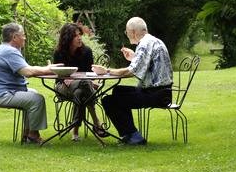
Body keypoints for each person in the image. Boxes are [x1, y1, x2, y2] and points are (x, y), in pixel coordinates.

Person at [92, 17, 173, 145]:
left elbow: (131, 71)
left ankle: (133, 137)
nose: (127, 34)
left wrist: (106, 71)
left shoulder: (145, 44)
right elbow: (148, 64)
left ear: (133, 32)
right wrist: (134, 57)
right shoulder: (153, 41)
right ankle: (132, 134)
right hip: (164, 92)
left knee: (109, 100)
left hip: (155, 94)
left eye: (127, 32)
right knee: (118, 91)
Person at [0, 22, 58, 144]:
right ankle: (33, 135)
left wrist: (46, 69)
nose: (25, 38)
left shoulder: (5, 49)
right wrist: (50, 69)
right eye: (23, 35)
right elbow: (27, 71)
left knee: (33, 93)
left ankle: (27, 132)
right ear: (14, 37)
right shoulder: (9, 51)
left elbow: (26, 67)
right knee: (36, 99)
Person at [52, 23, 106, 141]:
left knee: (80, 93)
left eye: (80, 35)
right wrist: (65, 79)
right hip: (63, 87)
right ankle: (96, 121)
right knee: (84, 83)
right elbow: (58, 76)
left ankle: (75, 130)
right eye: (76, 36)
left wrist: (90, 81)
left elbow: (89, 74)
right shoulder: (59, 53)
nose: (80, 37)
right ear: (68, 38)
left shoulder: (86, 51)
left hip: (82, 86)